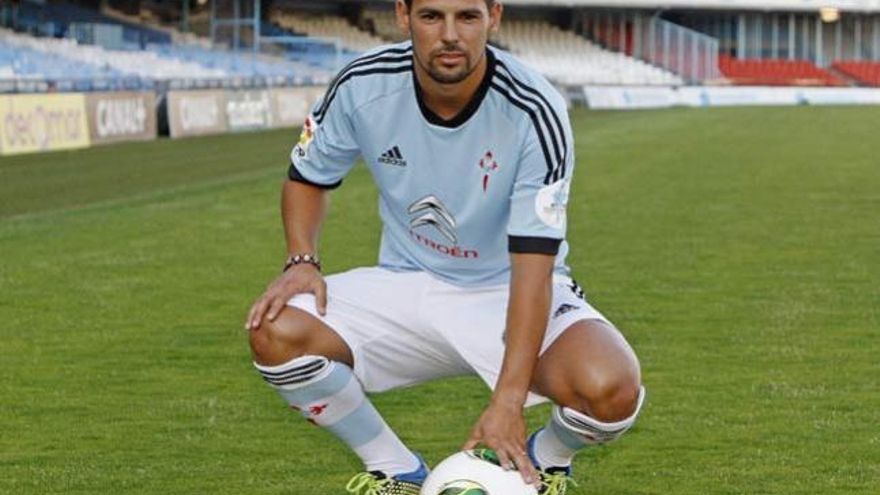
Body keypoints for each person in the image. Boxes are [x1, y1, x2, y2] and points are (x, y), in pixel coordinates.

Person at [245, 0, 645, 493]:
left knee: (612, 390)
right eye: (432, 16)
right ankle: (395, 472)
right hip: (407, 283)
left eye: (468, 17)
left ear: (493, 16)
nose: (450, 34)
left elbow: (533, 267)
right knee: (274, 328)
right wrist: (301, 258)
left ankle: (544, 462)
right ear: (403, 15)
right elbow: (307, 176)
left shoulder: (533, 108)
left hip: (509, 288)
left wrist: (509, 400)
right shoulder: (362, 84)